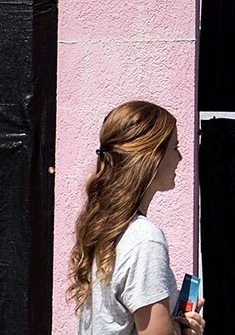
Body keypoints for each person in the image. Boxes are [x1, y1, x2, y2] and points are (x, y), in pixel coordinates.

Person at [68, 100, 205, 335]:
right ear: (152, 156)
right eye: (175, 147)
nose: (180, 158)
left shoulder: (108, 229)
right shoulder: (145, 239)